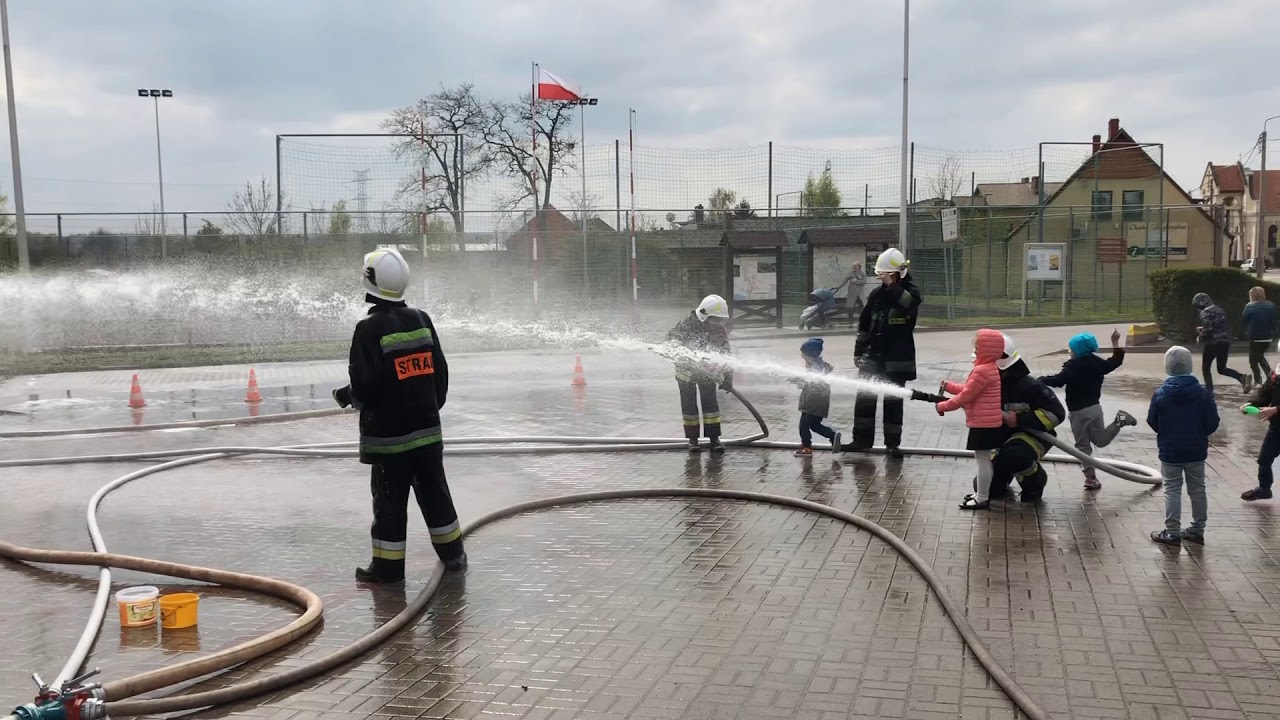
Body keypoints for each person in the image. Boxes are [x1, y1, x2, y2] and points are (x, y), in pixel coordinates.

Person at [332, 248, 466, 582]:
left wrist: (349, 396)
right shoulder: (422, 319)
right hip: (428, 435)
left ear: (370, 281)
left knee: (389, 505)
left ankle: (387, 569)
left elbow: (366, 388)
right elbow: (439, 378)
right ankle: (454, 555)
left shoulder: (368, 329)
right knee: (436, 495)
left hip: (389, 443)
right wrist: (426, 410)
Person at [1039, 329, 1138, 490]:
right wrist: (1115, 342)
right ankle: (1120, 420)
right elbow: (1115, 361)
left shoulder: (1073, 366)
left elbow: (1058, 380)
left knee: (1082, 446)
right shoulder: (1098, 363)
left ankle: (1090, 478)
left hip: (1077, 412)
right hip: (1094, 409)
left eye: (1071, 349)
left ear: (1077, 350)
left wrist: (1039, 381)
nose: (1069, 351)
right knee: (1101, 441)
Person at [848, 248, 923, 457]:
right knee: (865, 398)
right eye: (881, 275)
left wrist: (892, 286)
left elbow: (908, 304)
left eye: (886, 275)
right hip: (873, 356)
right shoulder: (876, 294)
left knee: (893, 401)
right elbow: (864, 323)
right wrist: (859, 351)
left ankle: (892, 444)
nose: (882, 278)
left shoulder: (911, 292)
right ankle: (861, 440)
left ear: (898, 274)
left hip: (897, 358)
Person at [1147, 346, 1219, 545]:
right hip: (1196, 449)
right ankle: (1197, 529)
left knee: (1172, 489)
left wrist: (1166, 433)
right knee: (1198, 489)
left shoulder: (1161, 393)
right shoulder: (1203, 394)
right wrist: (1200, 434)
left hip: (1170, 449)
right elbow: (1213, 422)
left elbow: (1152, 420)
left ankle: (1172, 532)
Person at [985, 334, 1066, 503]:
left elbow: (1056, 414)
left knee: (1014, 455)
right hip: (1003, 439)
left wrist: (1020, 419)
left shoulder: (1030, 387)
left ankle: (1036, 481)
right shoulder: (988, 385)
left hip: (1033, 436)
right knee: (985, 487)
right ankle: (1003, 477)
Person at [935, 329, 1005, 510]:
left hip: (983, 423)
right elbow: (969, 389)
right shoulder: (989, 368)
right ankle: (982, 494)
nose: (975, 350)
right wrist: (948, 386)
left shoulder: (981, 370)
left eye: (978, 347)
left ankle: (982, 498)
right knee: (984, 459)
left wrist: (942, 406)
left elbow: (966, 396)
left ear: (987, 349)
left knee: (982, 460)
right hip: (988, 422)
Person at [668, 294, 734, 454]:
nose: (718, 323)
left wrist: (727, 376)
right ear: (705, 315)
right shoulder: (685, 326)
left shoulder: (718, 329)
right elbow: (672, 344)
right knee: (689, 407)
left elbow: (726, 353)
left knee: (711, 406)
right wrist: (680, 352)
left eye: (719, 319)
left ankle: (714, 439)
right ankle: (693, 440)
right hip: (686, 374)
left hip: (707, 373)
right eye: (715, 319)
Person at [1193, 292, 1251, 393]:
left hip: (1212, 342)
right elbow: (1220, 326)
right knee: (1222, 368)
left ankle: (1209, 391)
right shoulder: (1220, 310)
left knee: (1206, 368)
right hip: (1225, 341)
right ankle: (1241, 377)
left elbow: (1208, 329)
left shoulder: (1205, 312)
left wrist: (1200, 337)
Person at [792, 338, 841, 456]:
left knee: (804, 425)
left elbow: (811, 382)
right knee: (814, 425)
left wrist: (796, 380)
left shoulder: (815, 367)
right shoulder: (820, 365)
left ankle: (807, 448)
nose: (802, 356)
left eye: (803, 354)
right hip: (820, 400)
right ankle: (832, 436)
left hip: (812, 401)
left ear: (810, 354)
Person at [1240, 365, 1280, 502]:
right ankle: (1264, 489)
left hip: (1276, 417)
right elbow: (1265, 393)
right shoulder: (1277, 373)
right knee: (1264, 458)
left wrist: (1276, 409)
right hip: (1277, 426)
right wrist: (1251, 404)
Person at [1243, 286, 1277, 386]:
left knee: (1253, 360)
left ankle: (1259, 380)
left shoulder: (1249, 306)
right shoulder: (1271, 305)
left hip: (1255, 336)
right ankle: (1270, 377)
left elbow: (1245, 319)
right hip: (1268, 337)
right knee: (1260, 356)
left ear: (1252, 296)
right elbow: (1275, 321)